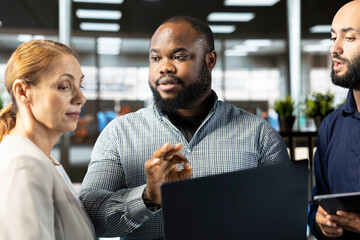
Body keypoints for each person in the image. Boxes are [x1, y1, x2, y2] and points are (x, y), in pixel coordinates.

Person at [80, 16, 289, 240]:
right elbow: (90, 219)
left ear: (210, 60)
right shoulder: (118, 134)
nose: (164, 67)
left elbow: (284, 219)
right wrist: (148, 197)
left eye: (179, 56)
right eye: (155, 58)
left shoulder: (259, 135)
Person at [0, 40, 95, 240]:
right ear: (23, 92)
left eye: (80, 85)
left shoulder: (41, 159)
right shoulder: (24, 164)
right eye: (64, 87)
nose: (81, 97)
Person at [308, 1, 360, 239]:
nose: (334, 49)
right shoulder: (331, 126)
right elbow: (317, 207)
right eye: (332, 38)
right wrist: (321, 224)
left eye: (349, 38)